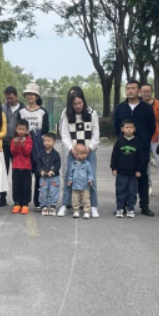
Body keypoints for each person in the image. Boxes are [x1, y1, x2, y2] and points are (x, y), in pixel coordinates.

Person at [112, 80, 156, 216]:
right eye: (128, 88)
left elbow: (152, 127)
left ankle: (144, 206)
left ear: (139, 91)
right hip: (124, 149)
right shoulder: (120, 108)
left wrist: (144, 140)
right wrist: (121, 139)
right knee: (123, 179)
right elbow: (116, 126)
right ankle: (122, 206)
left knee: (142, 177)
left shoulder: (146, 108)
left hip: (142, 148)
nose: (130, 91)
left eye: (133, 88)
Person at [59, 88, 100, 218]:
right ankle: (65, 204)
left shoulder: (92, 113)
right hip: (73, 152)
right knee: (69, 178)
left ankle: (93, 206)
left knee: (91, 178)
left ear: (83, 101)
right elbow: (65, 135)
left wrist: (89, 148)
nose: (77, 106)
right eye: (74, 104)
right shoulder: (66, 115)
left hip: (89, 151)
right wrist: (72, 149)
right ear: (70, 104)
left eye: (80, 103)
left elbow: (96, 134)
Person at [19, 83, 49, 210]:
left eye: (32, 94)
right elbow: (18, 128)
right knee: (25, 176)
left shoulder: (43, 112)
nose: (30, 96)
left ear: (37, 96)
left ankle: (39, 201)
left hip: (39, 148)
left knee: (39, 175)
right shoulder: (21, 111)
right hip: (24, 147)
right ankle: (23, 201)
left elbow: (45, 130)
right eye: (28, 94)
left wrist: (35, 135)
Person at [111, 119, 147, 219]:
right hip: (121, 171)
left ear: (134, 129)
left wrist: (139, 170)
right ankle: (120, 208)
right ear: (122, 129)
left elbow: (141, 158)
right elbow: (114, 156)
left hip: (133, 173)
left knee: (132, 191)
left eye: (131, 127)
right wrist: (114, 168)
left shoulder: (137, 142)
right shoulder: (119, 142)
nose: (129, 129)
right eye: (127, 127)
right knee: (121, 190)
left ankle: (130, 208)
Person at [0, 86, 25, 207]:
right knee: (3, 172)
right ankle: (2, 197)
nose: (9, 100)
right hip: (4, 144)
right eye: (7, 98)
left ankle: (17, 199)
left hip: (18, 145)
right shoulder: (2, 108)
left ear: (16, 96)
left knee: (17, 173)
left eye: (11, 98)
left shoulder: (23, 109)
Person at [140, 83, 159, 166]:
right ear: (140, 92)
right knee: (144, 162)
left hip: (156, 137)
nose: (146, 93)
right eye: (144, 91)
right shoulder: (137, 105)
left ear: (152, 92)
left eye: (148, 91)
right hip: (141, 137)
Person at [10, 119, 33, 215]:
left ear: (27, 130)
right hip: (16, 166)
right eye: (19, 129)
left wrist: (23, 144)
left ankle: (25, 203)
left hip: (26, 167)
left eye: (23, 129)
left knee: (26, 186)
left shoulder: (29, 140)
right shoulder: (14, 140)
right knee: (16, 185)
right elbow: (13, 153)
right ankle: (17, 202)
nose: (21, 131)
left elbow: (27, 152)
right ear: (16, 129)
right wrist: (15, 145)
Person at [66, 142, 94, 219]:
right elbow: (71, 173)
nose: (84, 155)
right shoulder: (73, 163)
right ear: (75, 154)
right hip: (75, 186)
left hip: (85, 186)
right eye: (81, 153)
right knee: (75, 199)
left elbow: (90, 173)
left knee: (86, 200)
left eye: (85, 153)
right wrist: (70, 180)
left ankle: (87, 212)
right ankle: (76, 211)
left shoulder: (87, 164)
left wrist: (90, 180)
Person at [37, 132, 61, 216]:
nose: (46, 143)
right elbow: (38, 164)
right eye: (45, 141)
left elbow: (57, 164)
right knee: (43, 191)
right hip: (43, 177)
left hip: (54, 177)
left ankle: (53, 206)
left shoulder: (56, 154)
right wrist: (41, 171)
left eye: (49, 141)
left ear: (54, 142)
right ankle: (43, 206)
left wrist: (53, 171)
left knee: (53, 191)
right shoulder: (40, 154)